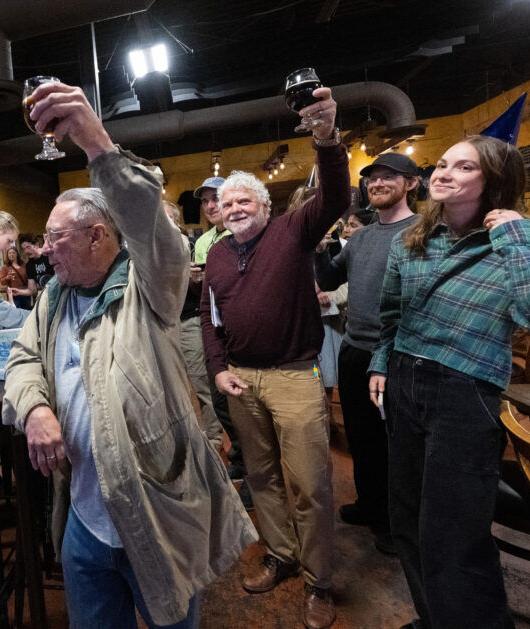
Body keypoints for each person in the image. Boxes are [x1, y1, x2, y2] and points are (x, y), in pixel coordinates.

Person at [2, 80, 255, 629]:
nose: (44, 251)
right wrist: (35, 407)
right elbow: (22, 360)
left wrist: (96, 143)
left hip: (155, 512)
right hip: (84, 518)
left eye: (55, 238)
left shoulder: (150, 285)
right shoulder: (54, 296)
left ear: (97, 236)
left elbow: (149, 224)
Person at [367, 135, 530, 629]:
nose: (444, 173)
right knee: (407, 519)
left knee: (454, 535)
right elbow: (392, 314)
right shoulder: (413, 239)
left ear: (495, 180)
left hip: (465, 390)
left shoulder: (528, 242)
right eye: (442, 164)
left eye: (464, 167)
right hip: (404, 380)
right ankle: (435, 619)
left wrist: (511, 236)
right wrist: (381, 361)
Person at [200, 87, 346, 628]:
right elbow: (208, 318)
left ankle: (319, 580)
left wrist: (326, 138)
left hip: (294, 376)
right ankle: (281, 555)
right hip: (241, 380)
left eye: (246, 201)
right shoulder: (217, 254)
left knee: (310, 482)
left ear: (265, 207)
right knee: (261, 477)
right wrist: (218, 370)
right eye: (228, 204)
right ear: (219, 214)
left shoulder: (293, 229)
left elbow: (335, 197)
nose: (236, 209)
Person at [314, 152, 420, 556]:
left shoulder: (422, 231)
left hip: (396, 353)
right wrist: (320, 250)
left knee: (394, 441)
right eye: (372, 178)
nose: (377, 183)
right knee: (361, 437)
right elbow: (330, 279)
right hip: (355, 350)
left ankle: (395, 522)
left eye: (388, 176)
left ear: (411, 183)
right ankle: (370, 504)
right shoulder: (360, 238)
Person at [189, 176, 246, 489]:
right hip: (214, 329)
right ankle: (239, 454)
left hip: (242, 330)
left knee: (245, 402)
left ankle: (252, 468)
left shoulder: (244, 232)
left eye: (216, 198)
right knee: (219, 400)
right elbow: (204, 295)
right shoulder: (202, 242)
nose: (210, 206)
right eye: (205, 201)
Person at [163, 200, 225, 456]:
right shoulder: (150, 250)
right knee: (169, 386)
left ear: (176, 222)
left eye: (166, 218)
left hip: (188, 321)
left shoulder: (189, 246)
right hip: (161, 324)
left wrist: (192, 279)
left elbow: (204, 288)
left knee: (201, 383)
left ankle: (214, 438)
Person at [13, 233, 53, 304]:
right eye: (24, 249)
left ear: (36, 245)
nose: (26, 251)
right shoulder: (29, 265)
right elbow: (32, 290)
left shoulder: (49, 255)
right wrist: (20, 292)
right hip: (47, 298)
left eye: (28, 247)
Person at [0, 245, 31, 309]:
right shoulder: (5, 267)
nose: (11, 254)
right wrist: (7, 278)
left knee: (27, 311)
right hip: (13, 294)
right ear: (7, 255)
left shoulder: (23, 265)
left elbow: (29, 277)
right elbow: (1, 281)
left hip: (25, 293)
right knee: (16, 311)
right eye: (9, 253)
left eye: (13, 253)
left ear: (17, 254)